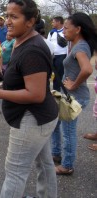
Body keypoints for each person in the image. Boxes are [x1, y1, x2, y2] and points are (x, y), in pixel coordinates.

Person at [0, 0, 58, 197]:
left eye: (14, 17)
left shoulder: (32, 49)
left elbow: (36, 94)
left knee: (15, 172)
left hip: (33, 118)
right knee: (45, 163)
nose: (7, 21)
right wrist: (4, 86)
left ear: (30, 21)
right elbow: (23, 80)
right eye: (7, 16)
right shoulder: (20, 41)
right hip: (42, 117)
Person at [52, 12, 97, 175]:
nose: (63, 31)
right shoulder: (76, 44)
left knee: (68, 131)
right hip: (70, 95)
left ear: (77, 29)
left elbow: (87, 69)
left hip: (76, 97)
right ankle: (56, 153)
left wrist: (73, 84)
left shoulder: (80, 47)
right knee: (56, 122)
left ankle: (67, 165)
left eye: (66, 28)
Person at [47, 16, 67, 92]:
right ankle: (50, 91)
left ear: (58, 22)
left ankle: (58, 91)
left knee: (59, 75)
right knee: (50, 74)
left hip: (62, 55)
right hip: (52, 56)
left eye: (53, 22)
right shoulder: (52, 32)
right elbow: (48, 43)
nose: (52, 23)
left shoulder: (65, 31)